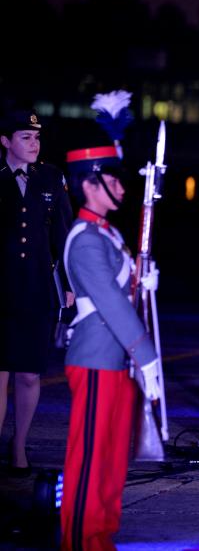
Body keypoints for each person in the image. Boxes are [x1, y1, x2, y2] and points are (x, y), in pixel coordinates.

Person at [59, 142, 161, 550]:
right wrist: (147, 354)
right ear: (90, 184)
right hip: (98, 356)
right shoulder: (85, 238)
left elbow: (125, 291)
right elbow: (111, 303)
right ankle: (81, 538)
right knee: (90, 457)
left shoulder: (109, 233)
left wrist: (142, 277)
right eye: (112, 178)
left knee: (114, 455)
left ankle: (101, 534)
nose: (120, 186)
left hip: (117, 358)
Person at [0, 109, 73, 477]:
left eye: (37, 137)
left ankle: (19, 445)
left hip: (37, 289)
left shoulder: (50, 176)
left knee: (29, 374)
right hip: (1, 289)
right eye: (25, 137)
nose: (33, 143)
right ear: (5, 142)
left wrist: (71, 285)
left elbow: (64, 233)